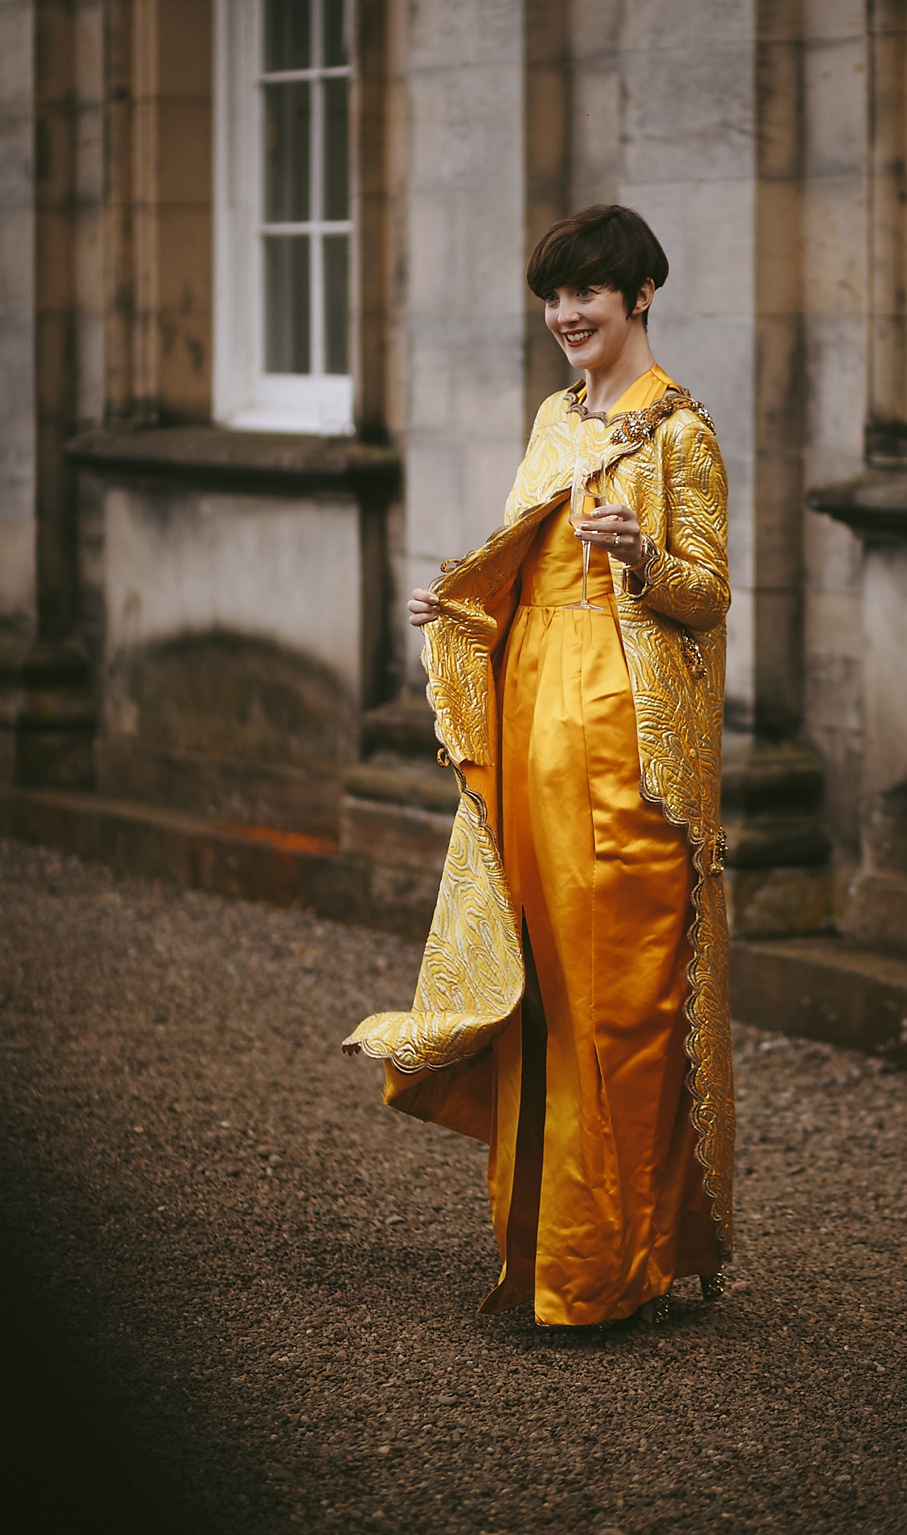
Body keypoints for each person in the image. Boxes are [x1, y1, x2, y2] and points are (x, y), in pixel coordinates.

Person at [343, 204, 734, 1327]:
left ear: (641, 296)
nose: (565, 315)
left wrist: (645, 556)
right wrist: (463, 610)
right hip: (531, 719)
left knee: (621, 991)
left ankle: (605, 1264)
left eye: (587, 294)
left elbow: (708, 595)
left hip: (624, 740)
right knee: (542, 989)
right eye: (553, 297)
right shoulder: (553, 419)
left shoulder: (680, 436)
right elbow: (523, 559)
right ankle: (543, 1250)